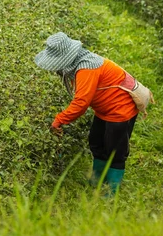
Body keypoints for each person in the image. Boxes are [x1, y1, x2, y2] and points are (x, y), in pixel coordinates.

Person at [34, 32, 138, 193]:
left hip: (120, 110)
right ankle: (97, 181)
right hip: (105, 109)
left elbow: (81, 103)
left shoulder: (86, 68)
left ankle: (112, 191)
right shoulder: (82, 62)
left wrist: (59, 119)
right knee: (96, 142)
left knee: (114, 150)